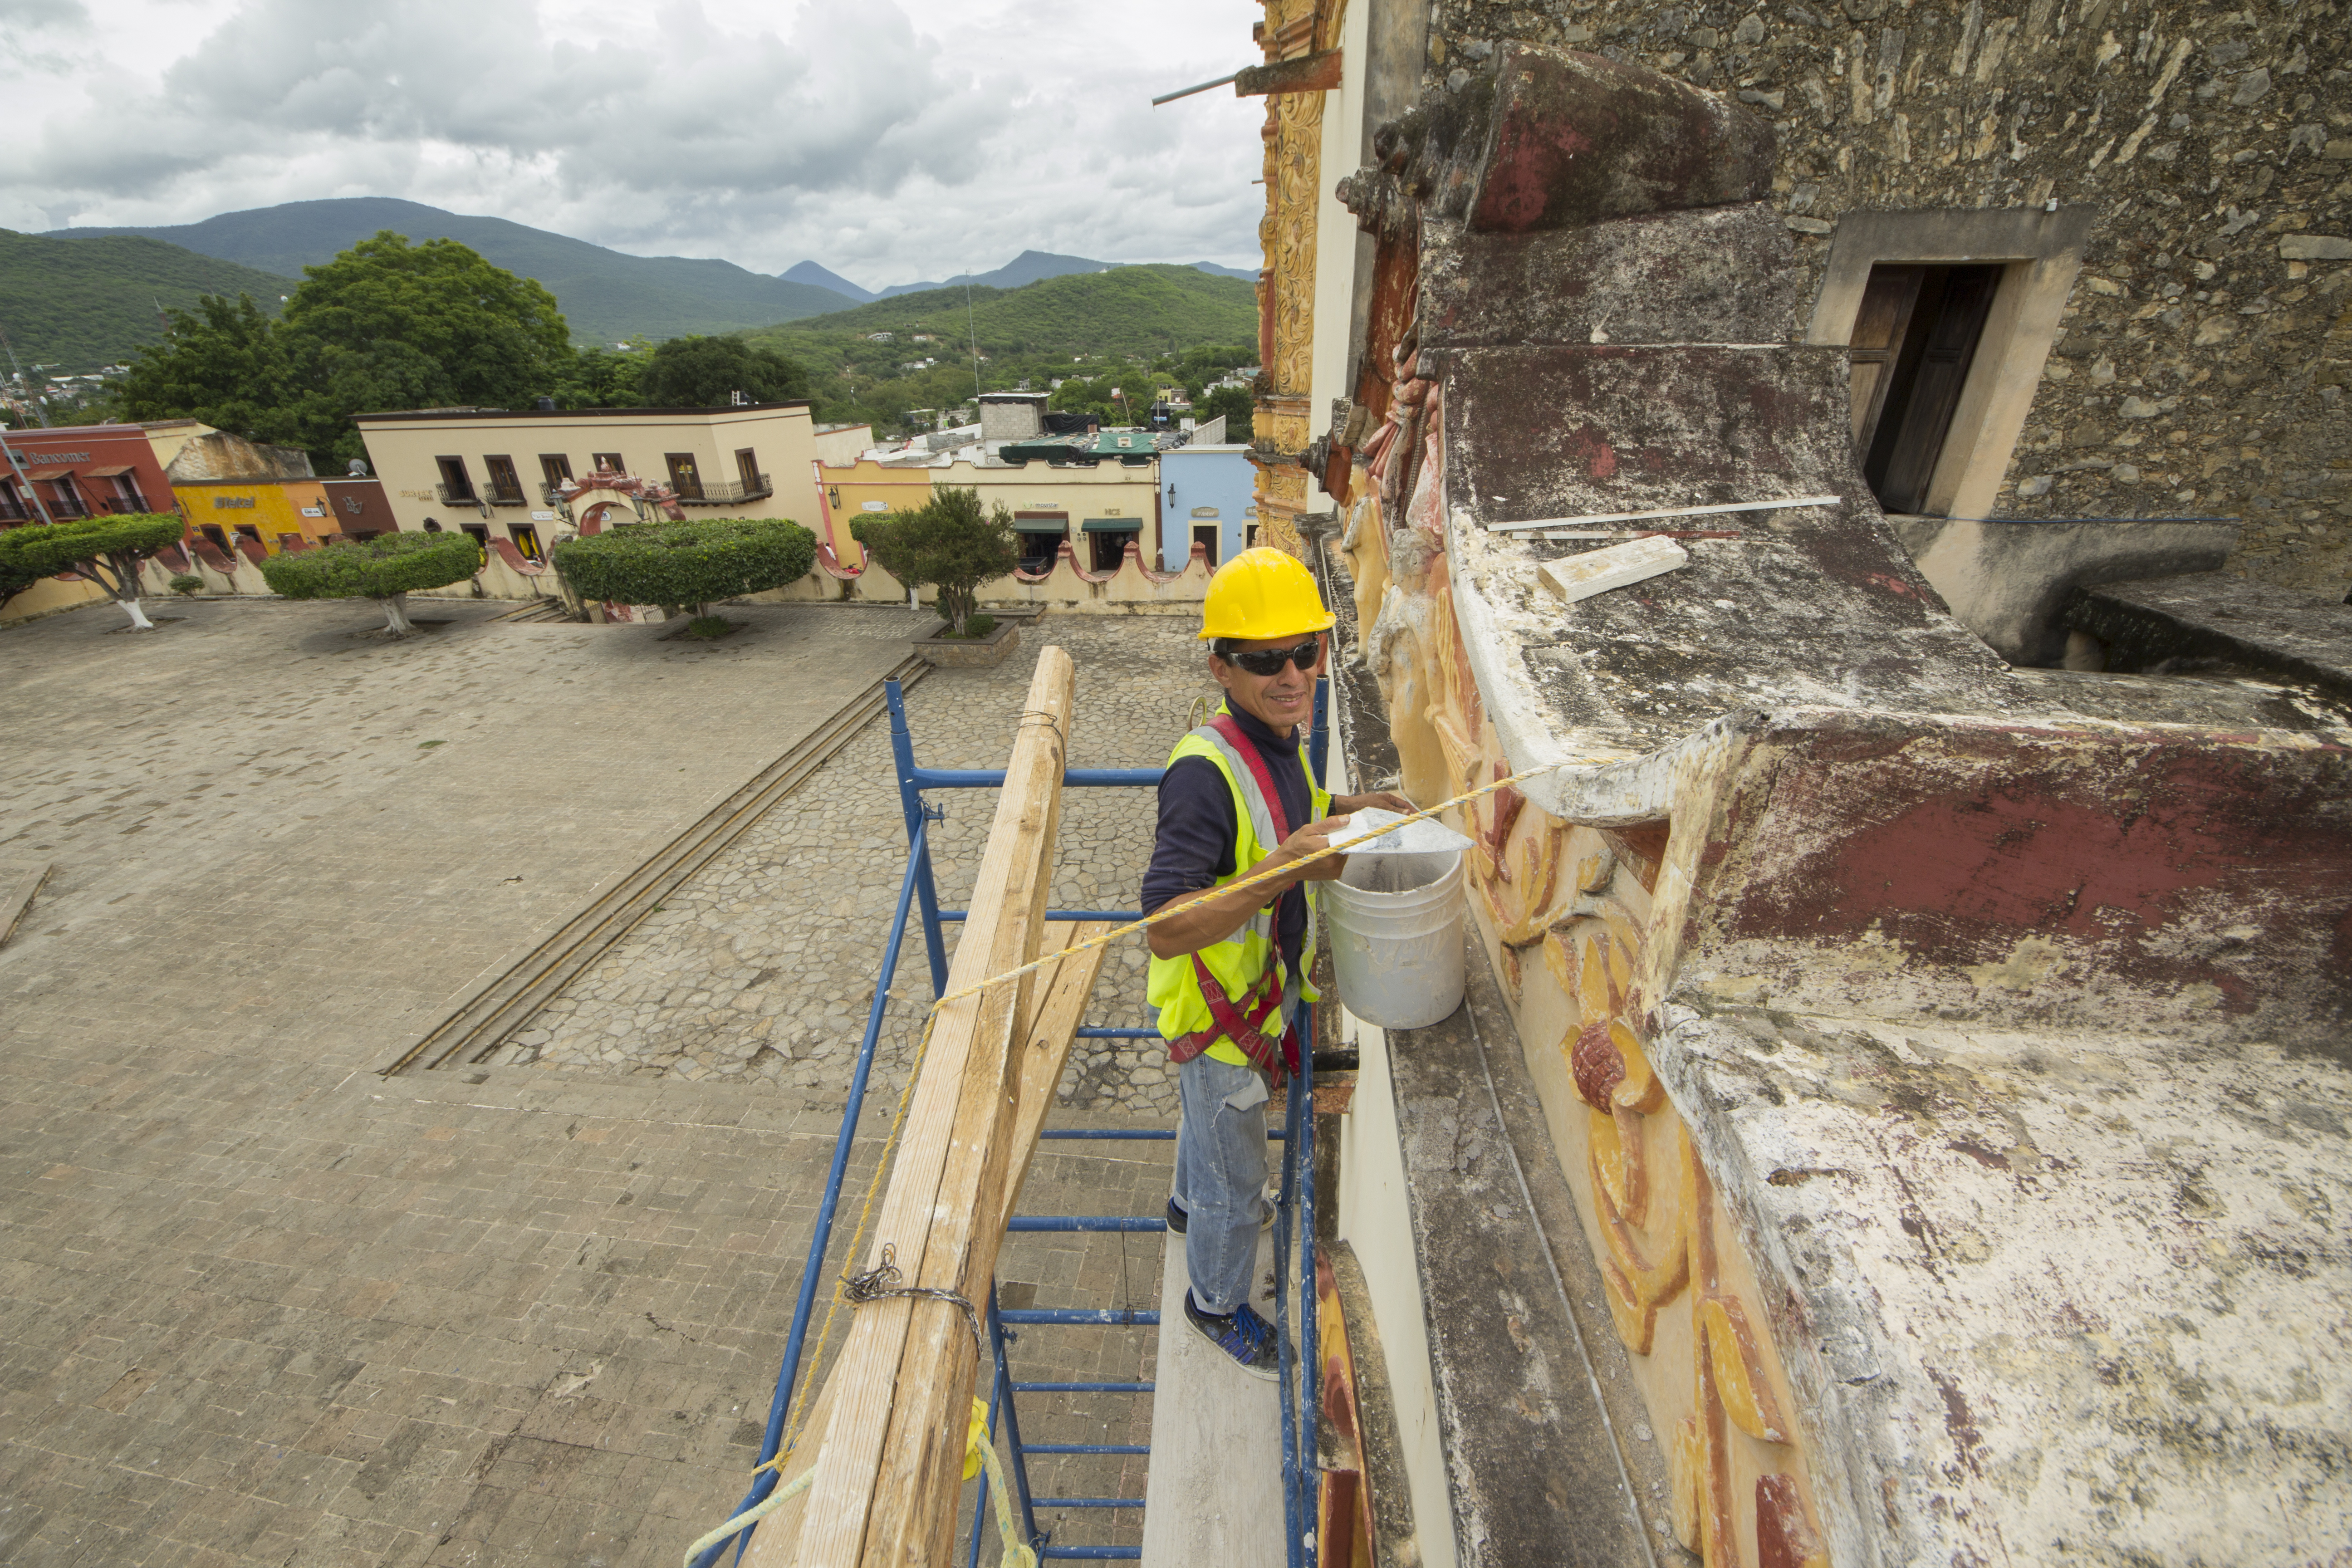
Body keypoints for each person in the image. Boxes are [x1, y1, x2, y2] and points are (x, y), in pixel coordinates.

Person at [1140, 548, 1411, 1378]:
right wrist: (1287, 868)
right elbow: (1164, 926)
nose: (1293, 674)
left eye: (1307, 651)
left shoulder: (1280, 738)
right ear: (1221, 665)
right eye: (1265, 660)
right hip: (1222, 1023)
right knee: (1236, 1179)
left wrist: (1354, 806)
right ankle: (1213, 1305)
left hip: (1251, 1001)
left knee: (1209, 1147)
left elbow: (1289, 802)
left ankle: (1187, 1208)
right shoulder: (1202, 774)